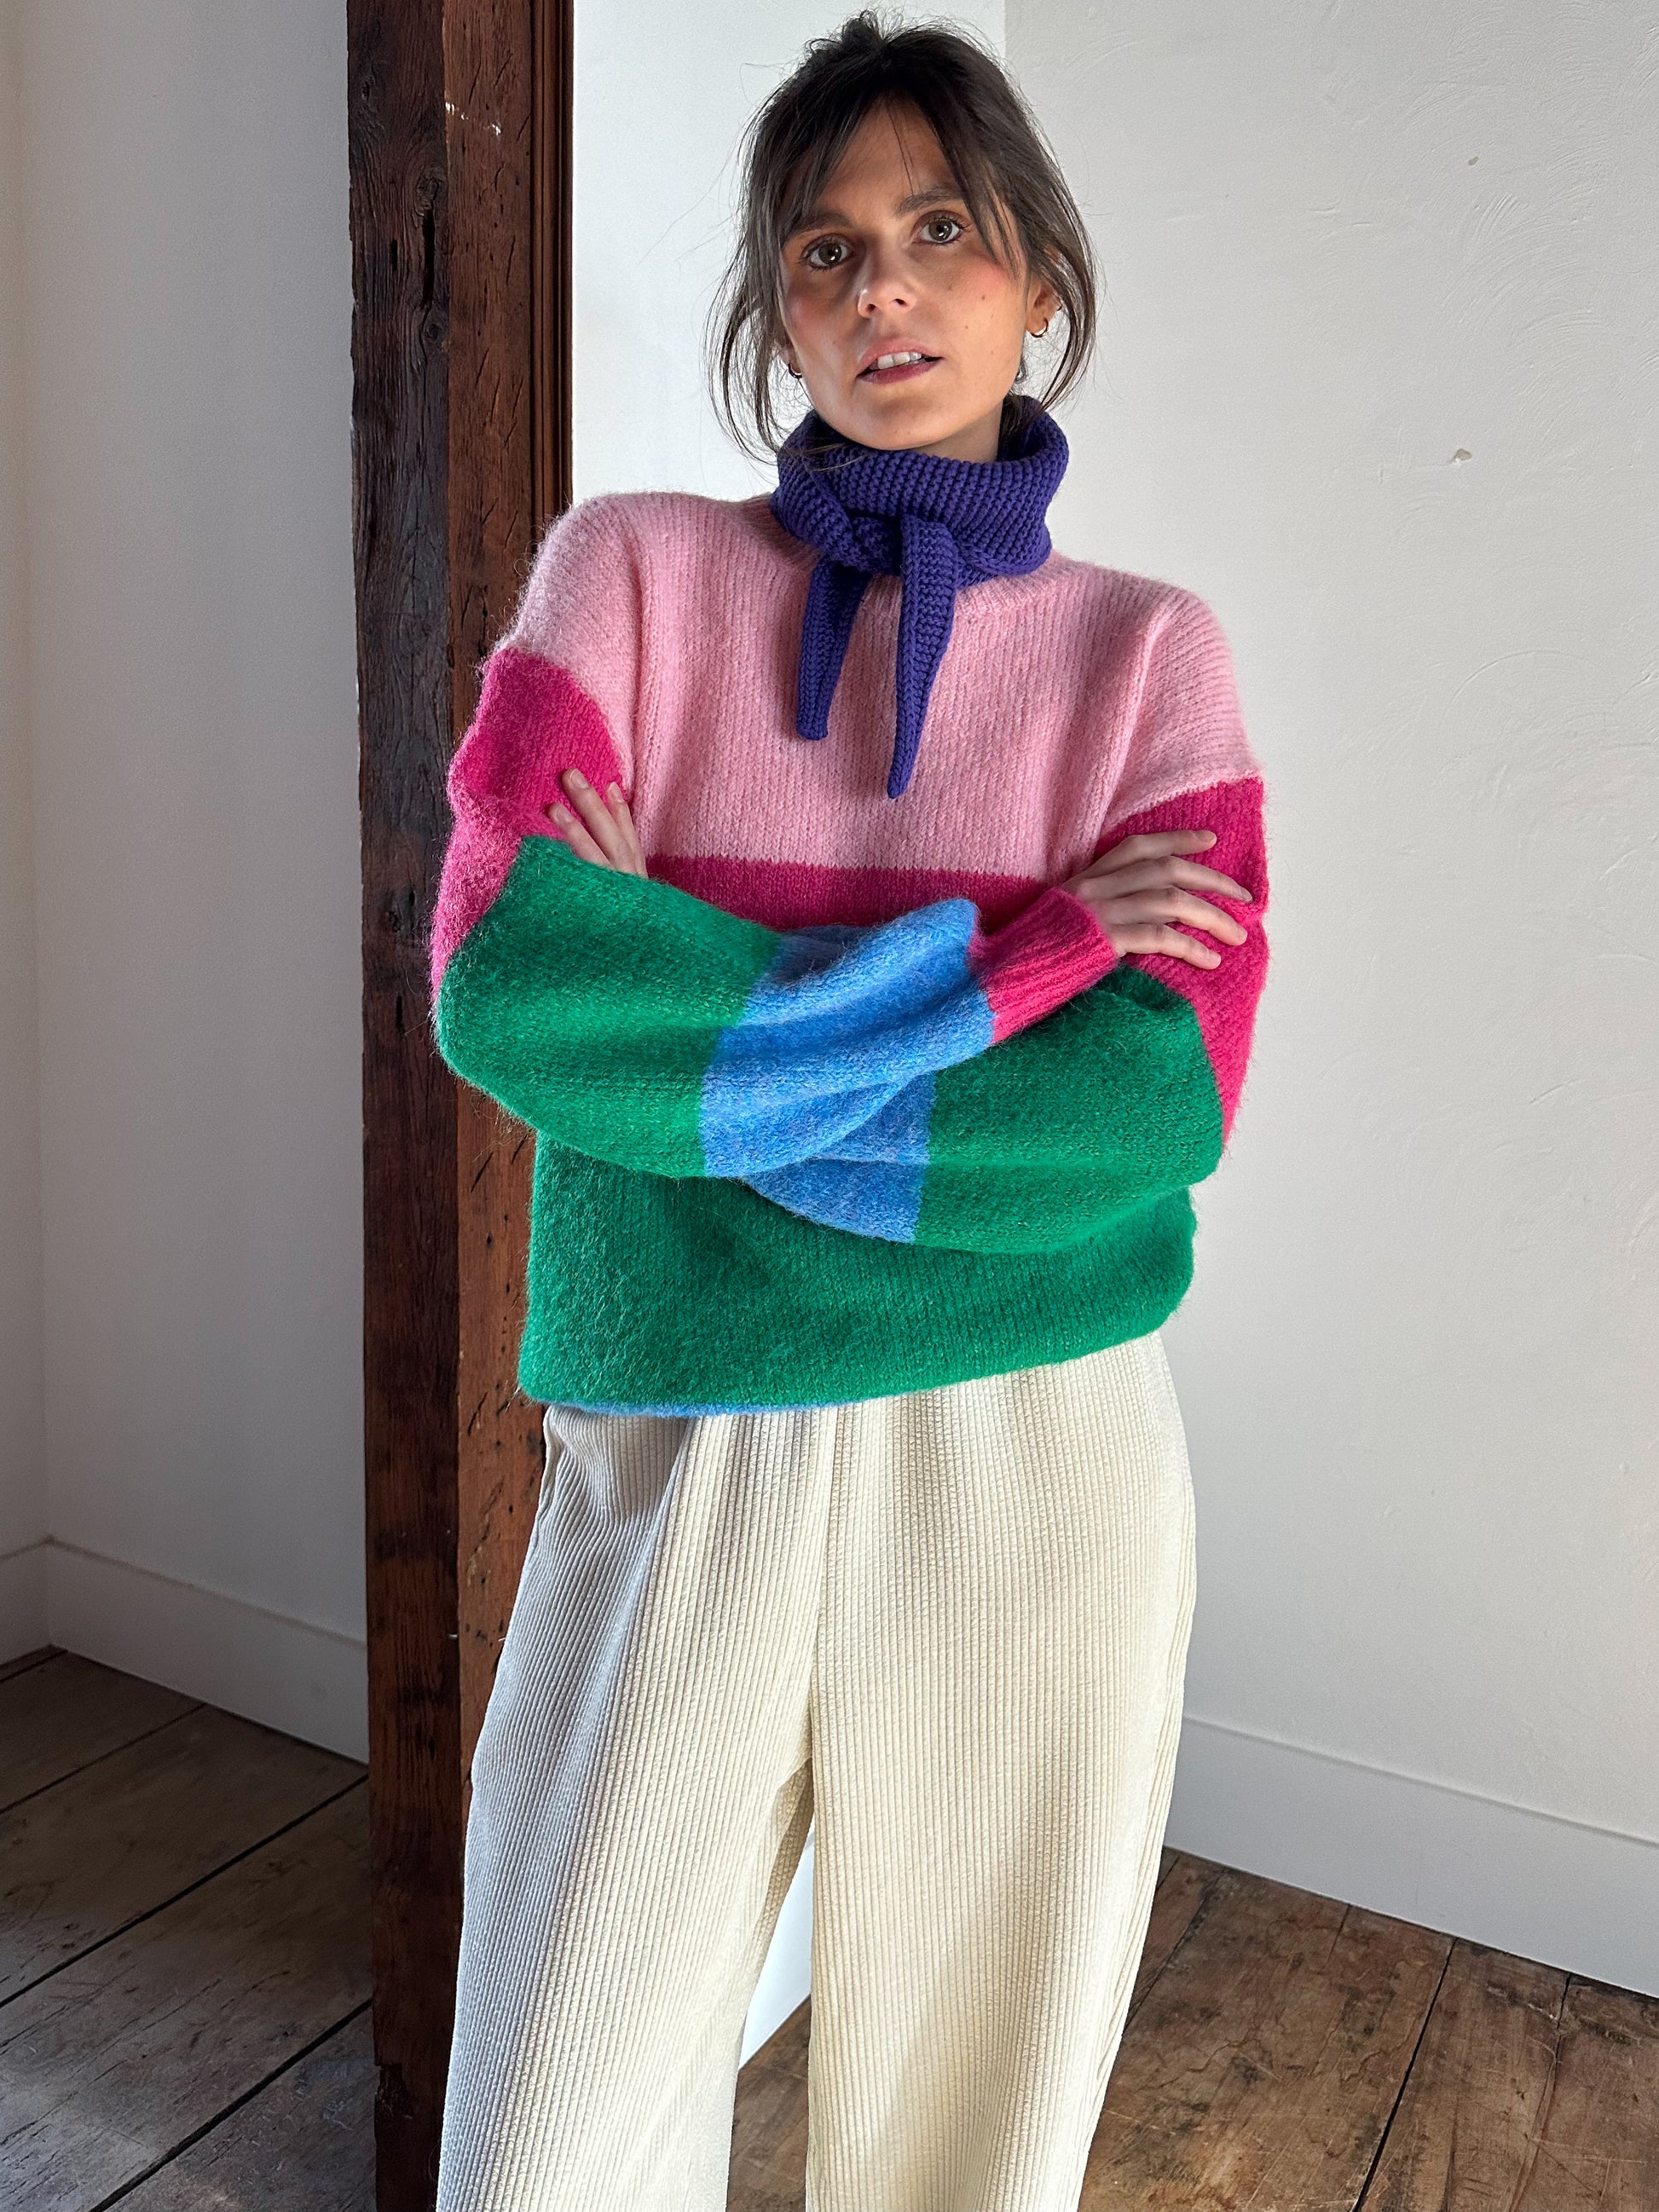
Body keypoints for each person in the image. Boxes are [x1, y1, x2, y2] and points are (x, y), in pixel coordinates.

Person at [428, 14, 1269, 2209]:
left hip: (1032, 1435)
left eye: (941, 231)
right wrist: (1017, 961)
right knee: (549, 2119)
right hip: (686, 1415)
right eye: (825, 250)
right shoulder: (628, 576)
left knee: (975, 2131)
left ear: (1037, 285)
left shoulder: (1151, 657)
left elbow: (1148, 1115)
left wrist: (702, 1059)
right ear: (777, 310)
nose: (884, 287)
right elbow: (511, 978)